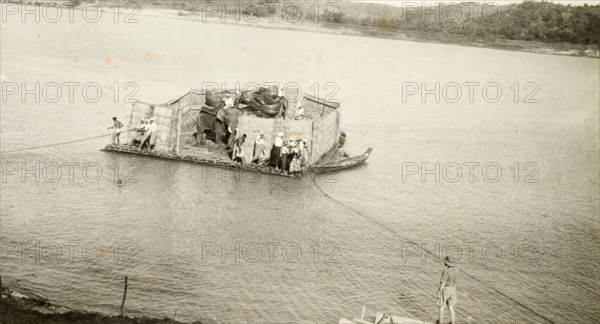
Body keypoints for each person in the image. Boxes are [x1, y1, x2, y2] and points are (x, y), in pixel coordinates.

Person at [436, 256, 459, 324]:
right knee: (451, 307)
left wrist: (439, 292)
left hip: (446, 289)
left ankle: (440, 322)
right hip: (453, 288)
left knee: (441, 306)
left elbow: (443, 283)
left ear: (446, 263)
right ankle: (453, 322)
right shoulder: (457, 270)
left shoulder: (446, 271)